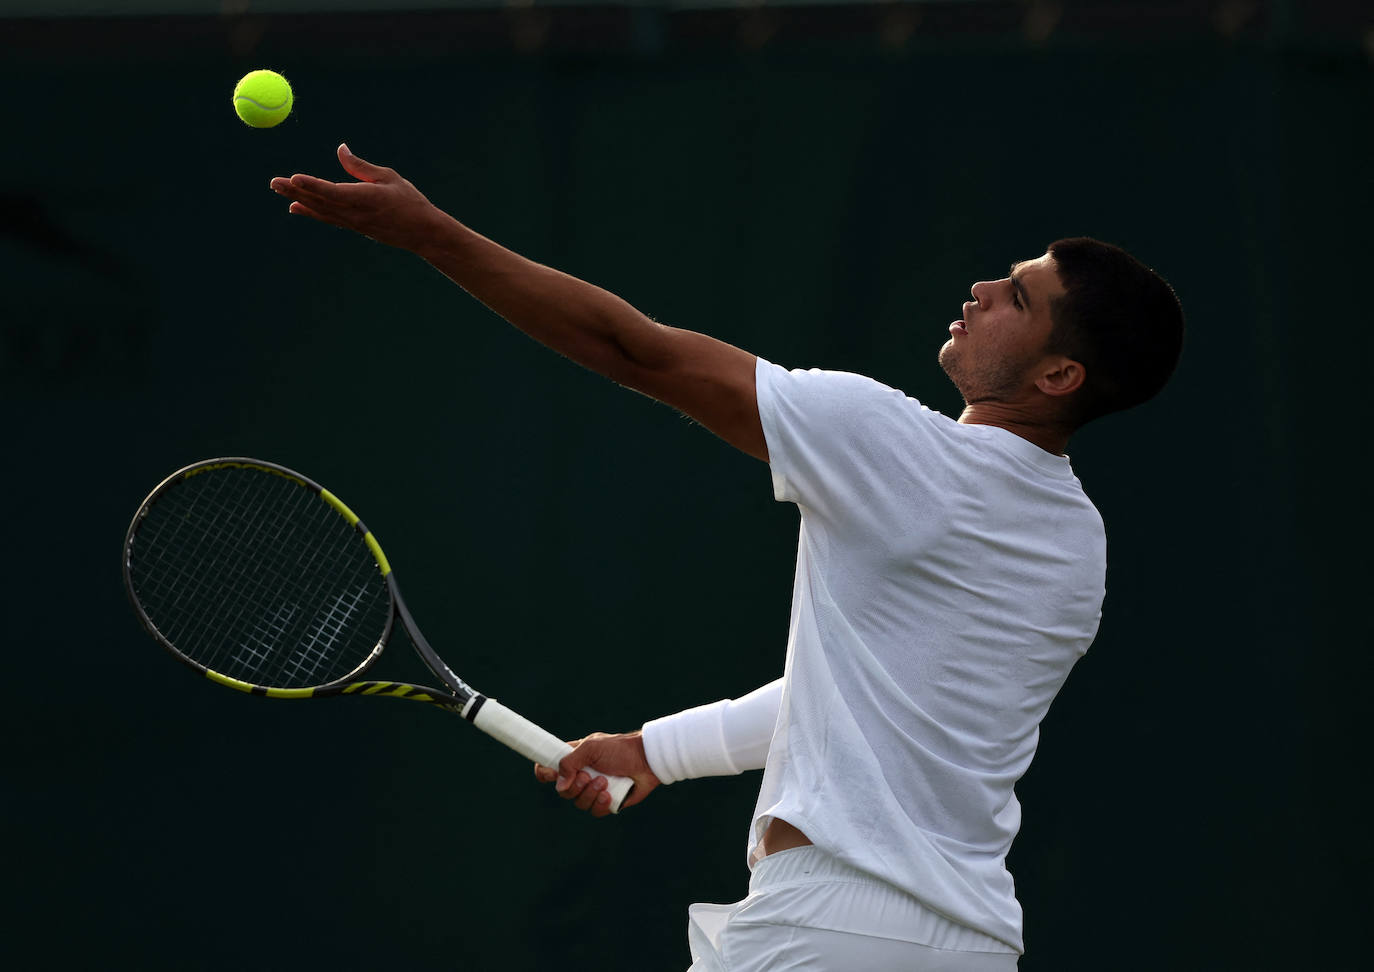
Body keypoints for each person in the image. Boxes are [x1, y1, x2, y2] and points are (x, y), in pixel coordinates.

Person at [270, 144, 1184, 970]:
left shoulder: (893, 444)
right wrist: (655, 751)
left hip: (828, 933)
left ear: (1058, 377)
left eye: (1018, 298)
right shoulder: (1078, 543)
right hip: (971, 945)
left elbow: (634, 350)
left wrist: (434, 236)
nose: (983, 291)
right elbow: (855, 691)